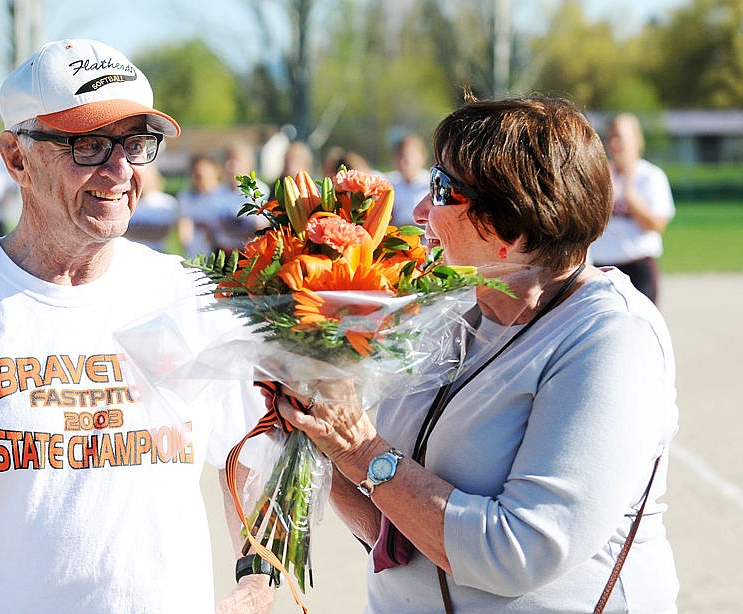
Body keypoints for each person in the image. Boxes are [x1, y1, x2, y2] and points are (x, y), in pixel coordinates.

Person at [0, 39, 275, 614]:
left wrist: (257, 579)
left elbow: (250, 448)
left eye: (137, 144)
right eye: (88, 145)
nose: (120, 170)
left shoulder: (191, 299)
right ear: (15, 158)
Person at [278, 97, 679, 612]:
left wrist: (359, 450)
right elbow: (394, 525)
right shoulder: (450, 314)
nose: (420, 212)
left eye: (443, 190)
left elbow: (518, 552)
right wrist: (317, 431)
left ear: (512, 223)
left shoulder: (611, 337)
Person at [590, 113, 675, 304]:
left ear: (637, 141)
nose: (614, 143)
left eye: (620, 136)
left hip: (638, 265)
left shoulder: (651, 176)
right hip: (603, 266)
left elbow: (656, 224)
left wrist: (629, 193)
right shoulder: (600, 177)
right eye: (611, 136)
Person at [124, 162, 180, 252]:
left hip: (156, 252)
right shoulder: (125, 201)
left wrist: (131, 231)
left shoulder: (166, 203)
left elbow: (162, 233)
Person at [386, 133, 431, 228]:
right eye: (400, 156)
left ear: (422, 157)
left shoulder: (431, 184)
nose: (404, 161)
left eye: (409, 156)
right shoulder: (389, 184)